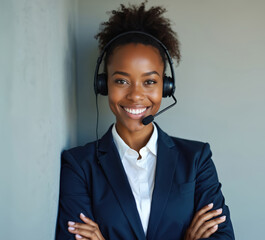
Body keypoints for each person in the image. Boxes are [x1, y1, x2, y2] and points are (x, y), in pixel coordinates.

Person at [55, 2, 234, 240]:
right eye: (121, 81)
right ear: (103, 84)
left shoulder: (197, 159)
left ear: (166, 87)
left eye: (149, 82)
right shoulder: (79, 166)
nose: (136, 95)